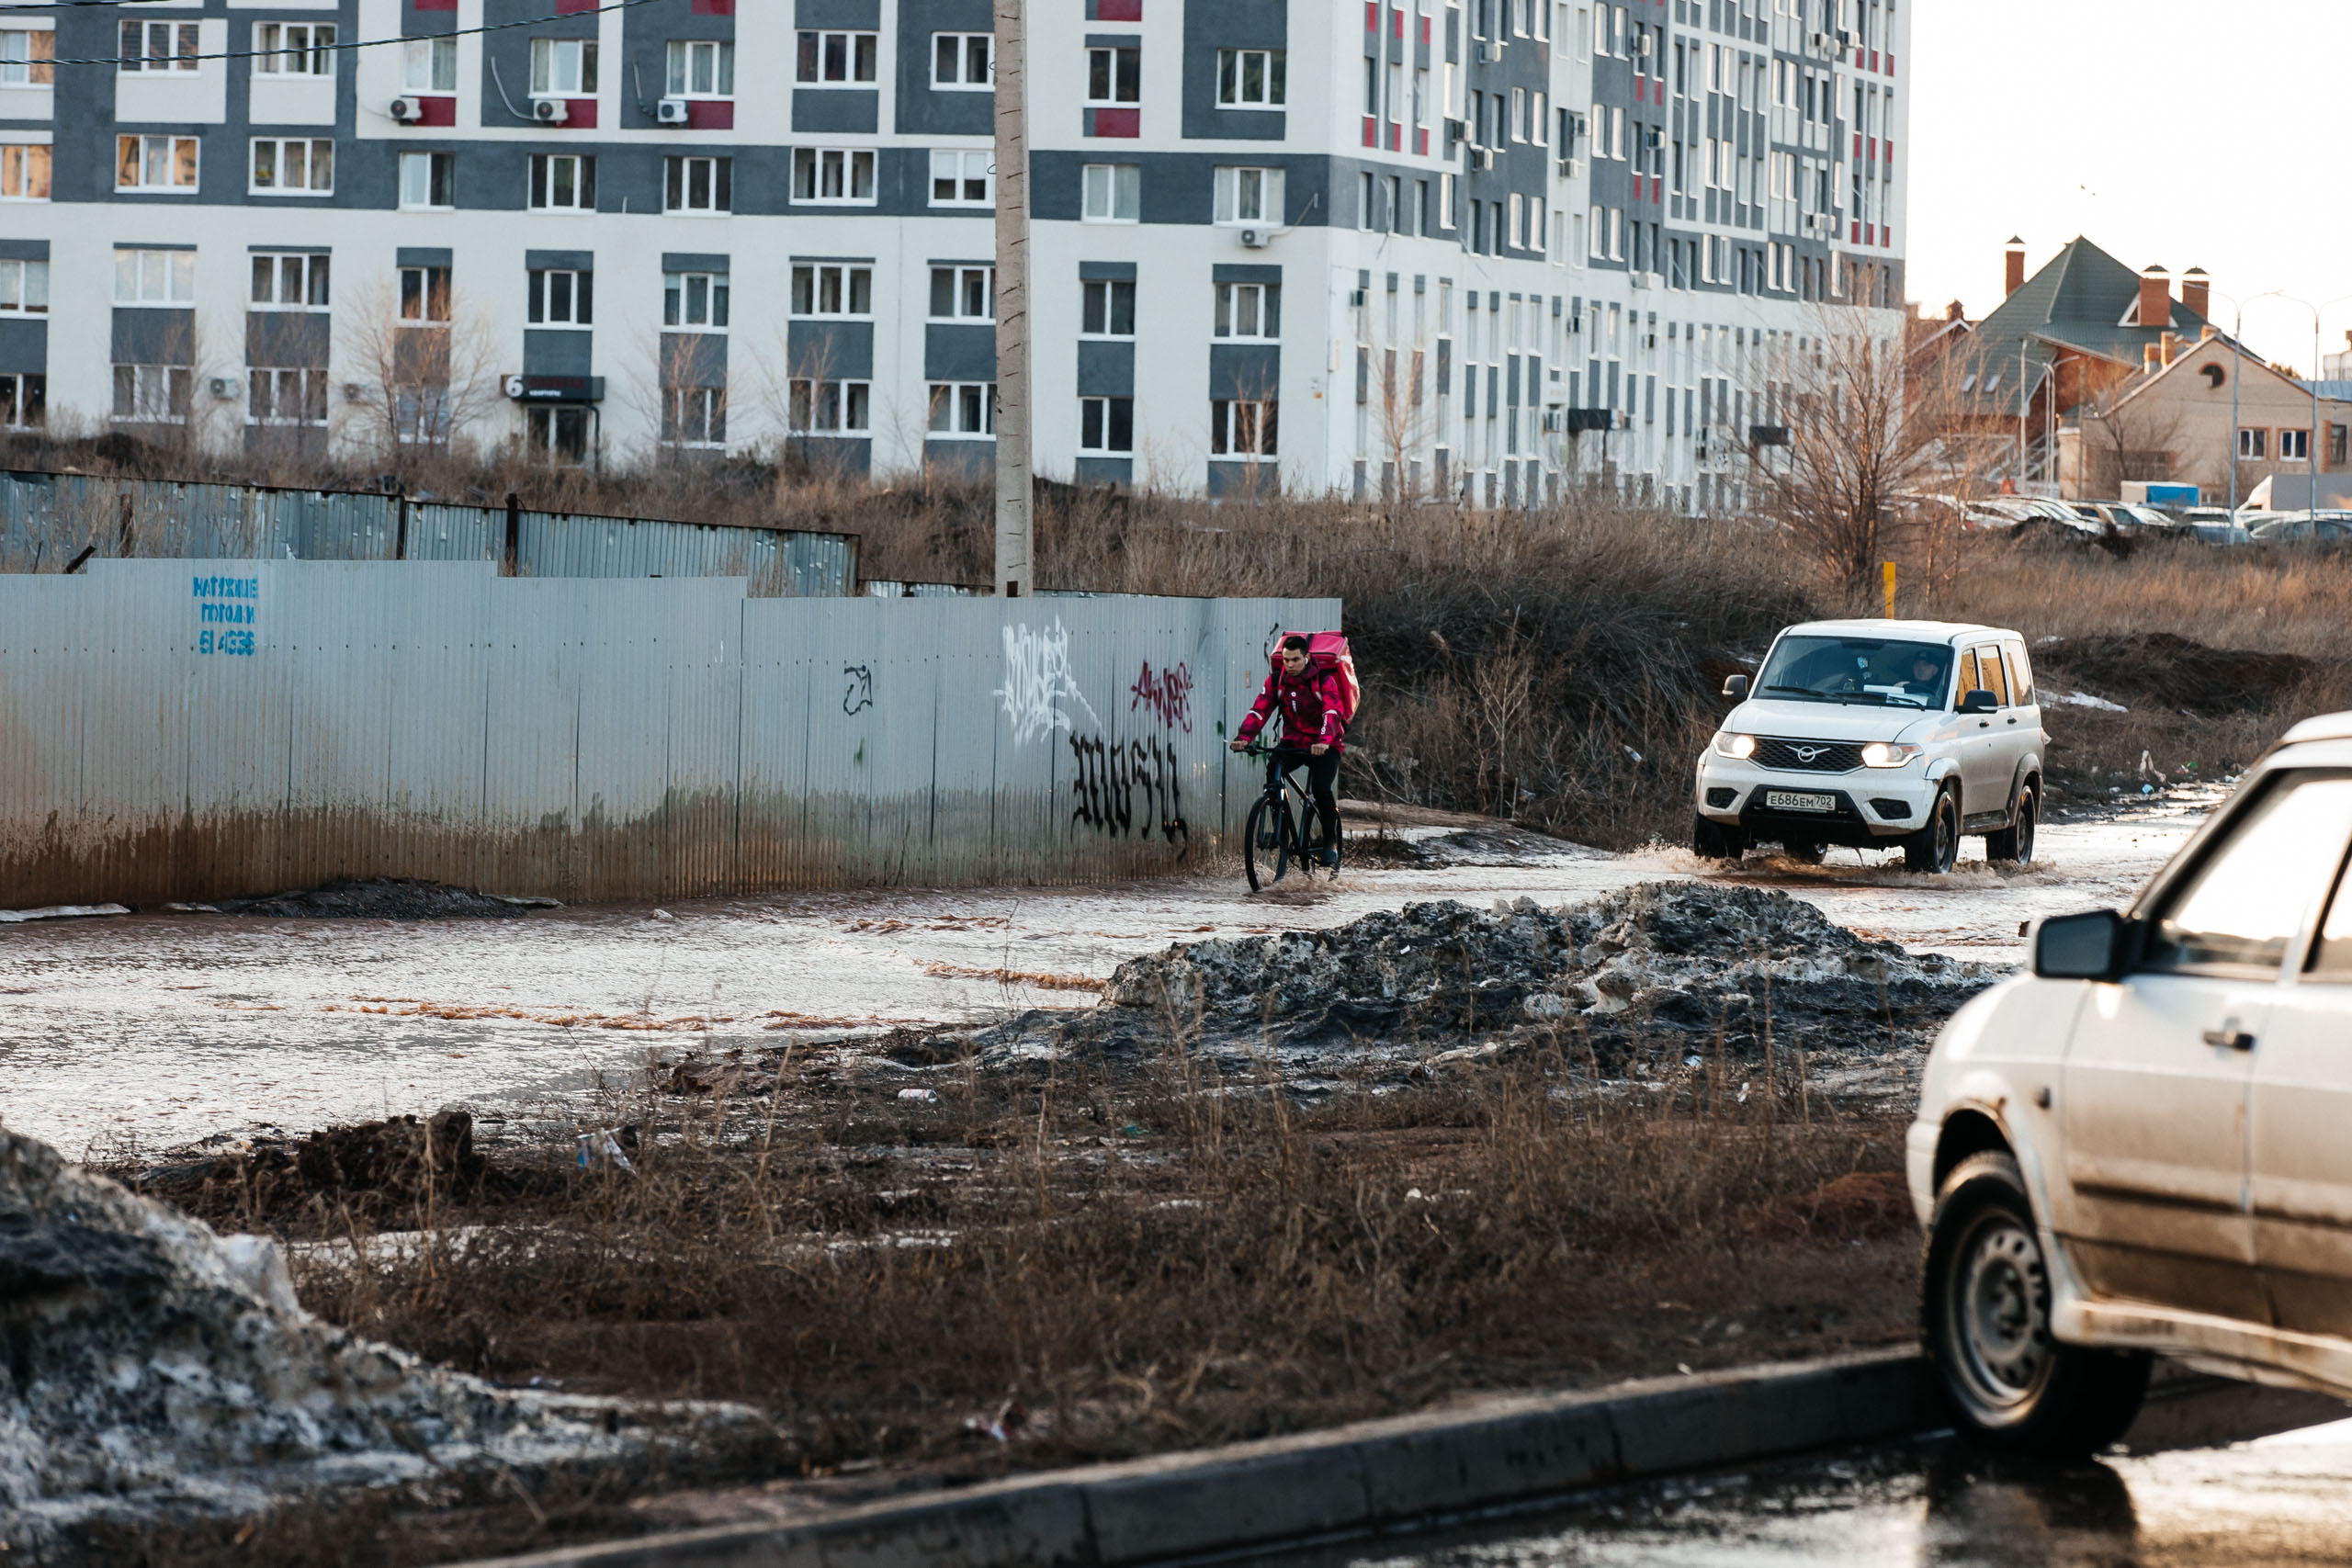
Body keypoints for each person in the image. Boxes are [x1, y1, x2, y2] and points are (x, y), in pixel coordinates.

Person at [1231, 635, 1345, 865]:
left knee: (1321, 788)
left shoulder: (1324, 681)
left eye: (1295, 660)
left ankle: (1330, 843)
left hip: (1326, 745)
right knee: (1274, 769)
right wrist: (1244, 737)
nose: (1290, 665)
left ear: (1307, 658)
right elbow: (1259, 711)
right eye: (1286, 660)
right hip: (1293, 742)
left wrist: (1323, 741)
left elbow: (1332, 713)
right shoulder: (1276, 682)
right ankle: (1279, 830)